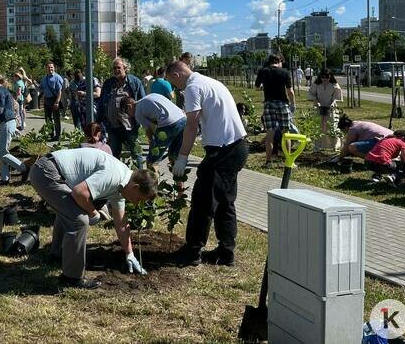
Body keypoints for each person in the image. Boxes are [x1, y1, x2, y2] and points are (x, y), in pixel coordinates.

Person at [29, 148, 157, 289]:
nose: (136, 203)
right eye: (139, 199)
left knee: (70, 212)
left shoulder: (122, 186)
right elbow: (80, 193)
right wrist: (93, 213)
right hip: (46, 172)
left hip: (50, 171)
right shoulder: (114, 175)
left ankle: (57, 255)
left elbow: (121, 223)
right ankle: (72, 278)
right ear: (135, 187)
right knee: (79, 220)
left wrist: (130, 254)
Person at [166, 60, 248, 267]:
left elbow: (191, 125)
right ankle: (226, 252)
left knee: (203, 200)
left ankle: (192, 251)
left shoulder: (193, 87)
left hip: (223, 151)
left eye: (173, 84)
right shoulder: (211, 82)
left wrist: (183, 156)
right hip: (237, 147)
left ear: (176, 75)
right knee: (225, 201)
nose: (177, 89)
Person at [97, 57, 146, 169]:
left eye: (118, 67)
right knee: (114, 154)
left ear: (125, 68)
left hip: (130, 126)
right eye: (114, 68)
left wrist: (142, 120)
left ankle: (140, 176)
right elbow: (101, 103)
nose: (116, 70)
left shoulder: (134, 82)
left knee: (136, 152)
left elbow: (142, 101)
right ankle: (117, 178)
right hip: (112, 126)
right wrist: (98, 121)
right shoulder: (108, 83)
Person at [254, 53, 296, 167]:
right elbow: (290, 91)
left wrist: (264, 87)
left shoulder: (263, 71)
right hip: (282, 104)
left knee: (269, 135)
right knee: (286, 134)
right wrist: (293, 103)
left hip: (268, 104)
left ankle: (268, 162)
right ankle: (288, 161)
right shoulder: (285, 72)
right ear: (279, 61)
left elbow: (257, 87)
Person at [125, 93, 186, 168]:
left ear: (129, 106)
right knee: (174, 156)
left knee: (152, 160)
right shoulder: (150, 96)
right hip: (183, 119)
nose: (128, 115)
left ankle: (151, 177)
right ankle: (179, 178)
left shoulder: (138, 112)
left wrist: (152, 143)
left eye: (126, 112)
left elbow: (148, 130)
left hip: (169, 124)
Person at [0, 73, 17, 185]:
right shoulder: (5, 91)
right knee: (2, 152)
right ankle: (5, 178)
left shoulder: (0, 92)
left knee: (3, 153)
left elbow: (0, 110)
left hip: (6, 122)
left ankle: (24, 168)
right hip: (8, 122)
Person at [308, 69, 342, 135]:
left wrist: (333, 103)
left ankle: (332, 144)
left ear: (330, 77)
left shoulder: (334, 85)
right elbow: (311, 93)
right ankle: (318, 144)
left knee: (331, 125)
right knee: (318, 125)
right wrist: (316, 101)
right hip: (318, 107)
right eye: (323, 77)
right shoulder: (316, 84)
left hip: (330, 108)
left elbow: (337, 96)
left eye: (327, 78)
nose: (324, 79)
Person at [40, 62, 64, 140]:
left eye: (51, 67)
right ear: (46, 68)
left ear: (54, 68)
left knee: (56, 119)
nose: (50, 69)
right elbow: (42, 89)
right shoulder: (44, 78)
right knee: (48, 118)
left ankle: (57, 136)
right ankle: (51, 134)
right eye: (48, 67)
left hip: (54, 99)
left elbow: (60, 91)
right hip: (47, 100)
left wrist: (57, 102)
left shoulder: (57, 77)